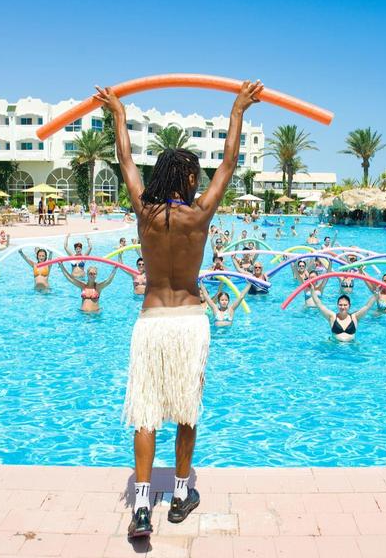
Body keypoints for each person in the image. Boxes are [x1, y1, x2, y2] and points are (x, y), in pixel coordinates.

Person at [95, 80, 262, 537]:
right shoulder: (200, 215)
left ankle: (143, 506)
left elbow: (125, 160)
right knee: (186, 409)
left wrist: (118, 112)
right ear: (188, 179)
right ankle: (183, 494)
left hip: (151, 321)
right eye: (194, 175)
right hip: (190, 320)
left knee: (146, 412)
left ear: (159, 178)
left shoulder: (143, 214)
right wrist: (236, 110)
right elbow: (229, 162)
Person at [311, 291, 376, 342]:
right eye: (340, 305)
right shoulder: (332, 317)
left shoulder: (355, 317)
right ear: (337, 305)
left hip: (351, 346)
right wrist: (312, 290)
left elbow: (367, 306)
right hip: (335, 345)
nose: (342, 307)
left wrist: (376, 294)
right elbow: (319, 305)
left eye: (345, 305)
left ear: (349, 306)